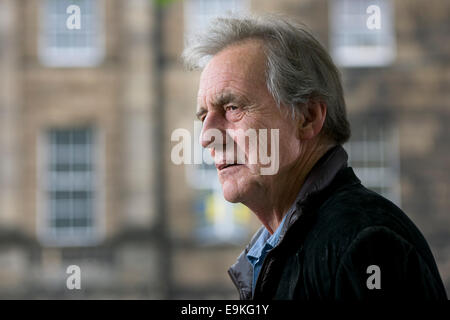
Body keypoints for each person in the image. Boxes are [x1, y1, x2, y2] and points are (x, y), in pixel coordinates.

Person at [182, 15, 447, 300]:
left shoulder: (365, 242)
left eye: (232, 108)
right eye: (203, 116)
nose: (206, 136)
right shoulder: (276, 252)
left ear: (307, 118)